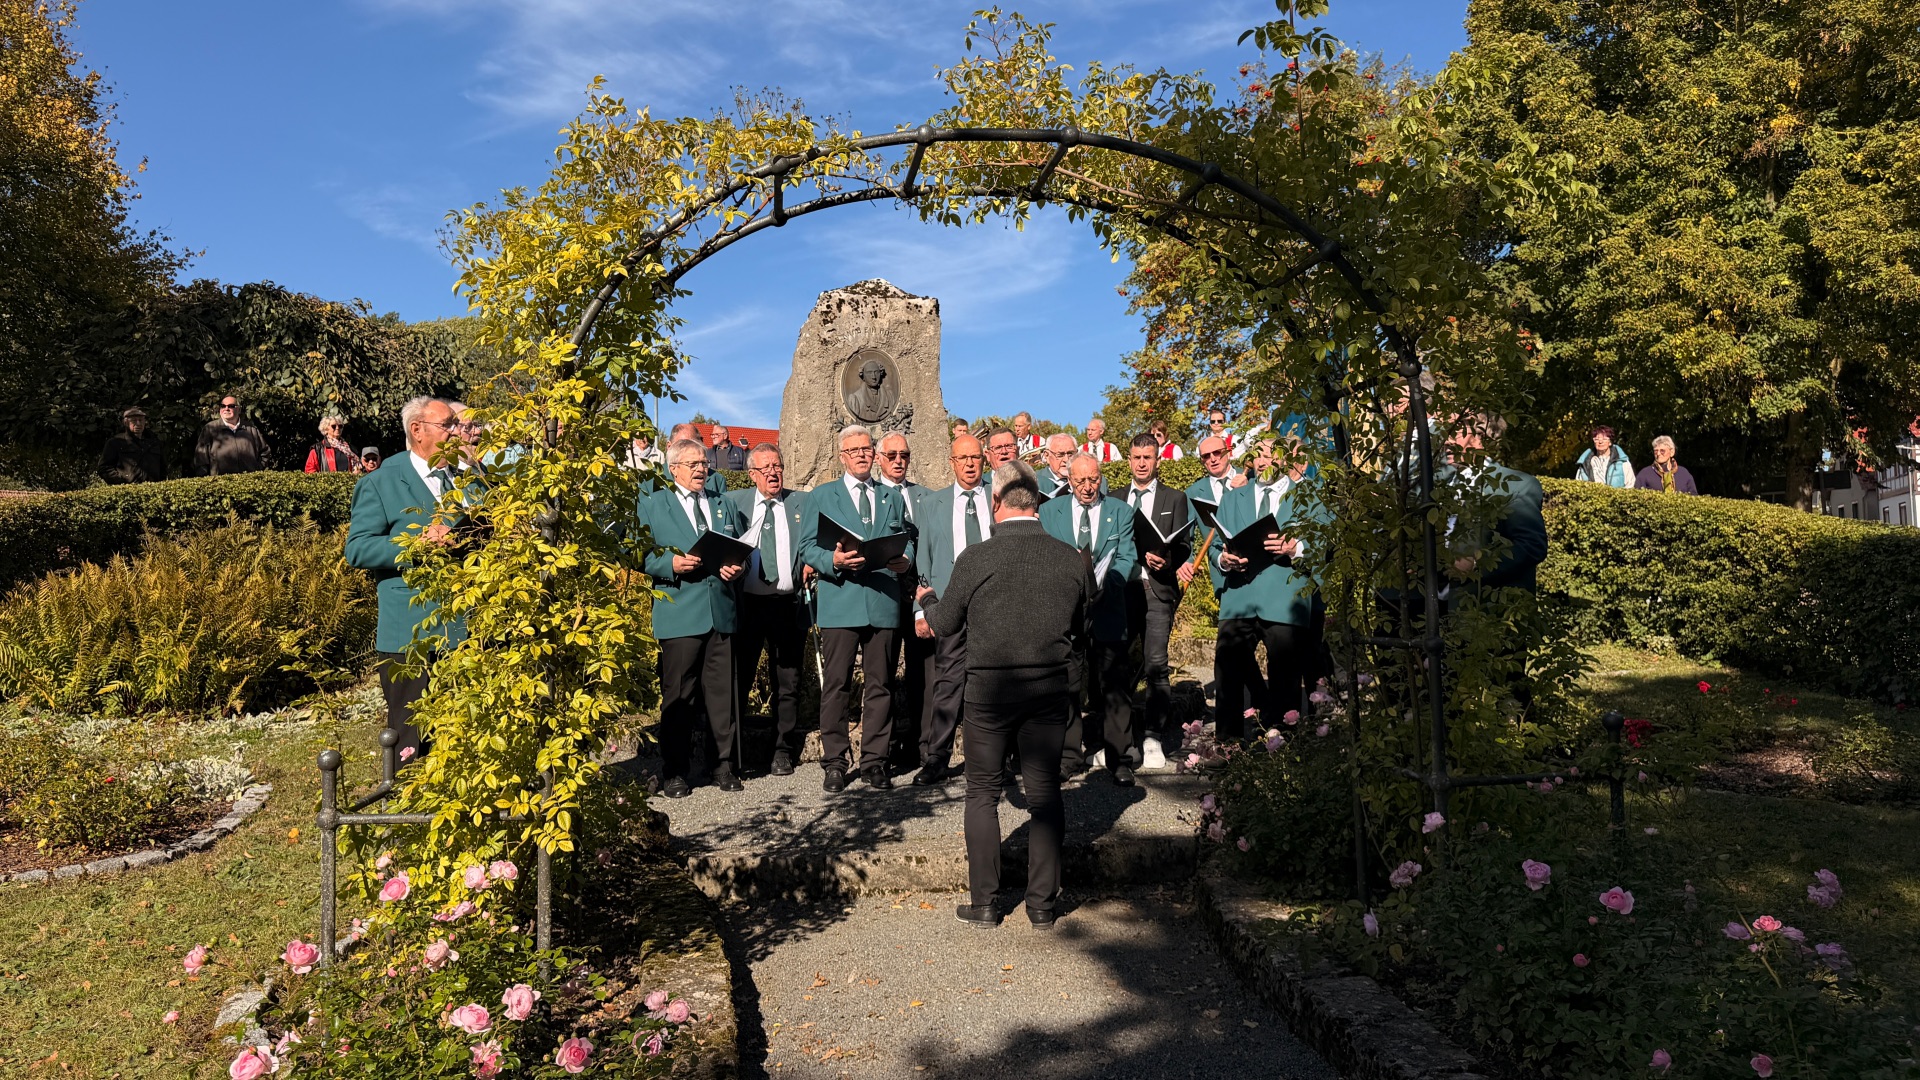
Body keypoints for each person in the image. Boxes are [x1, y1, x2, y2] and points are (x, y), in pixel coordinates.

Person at [922, 459, 1090, 931]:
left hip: (989, 693)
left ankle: (986, 904)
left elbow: (944, 624)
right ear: (1037, 501)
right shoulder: (1068, 558)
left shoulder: (976, 558)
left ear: (996, 502)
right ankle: (1041, 905)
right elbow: (1080, 629)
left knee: (982, 793)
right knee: (1044, 793)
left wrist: (926, 600)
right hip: (1049, 691)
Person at [797, 425, 915, 792]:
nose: (863, 455)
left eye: (868, 449)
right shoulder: (821, 496)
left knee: (880, 685)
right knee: (837, 685)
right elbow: (806, 549)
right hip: (841, 600)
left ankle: (875, 761)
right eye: (856, 450)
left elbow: (905, 539)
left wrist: (905, 560)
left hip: (882, 601)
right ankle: (835, 762)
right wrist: (831, 559)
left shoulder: (891, 497)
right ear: (842, 456)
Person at [343, 396, 463, 758]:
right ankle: (407, 813)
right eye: (448, 425)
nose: (458, 432)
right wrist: (417, 545)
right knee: (412, 744)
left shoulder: (467, 479)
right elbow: (358, 549)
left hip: (466, 630)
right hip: (412, 634)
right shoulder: (381, 482)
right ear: (418, 430)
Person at [640, 439, 748, 797]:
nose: (702, 469)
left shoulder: (723, 503)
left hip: (720, 611)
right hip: (679, 611)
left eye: (704, 463)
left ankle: (723, 766)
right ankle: (675, 771)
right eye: (694, 464)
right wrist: (668, 564)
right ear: (674, 469)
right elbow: (636, 552)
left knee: (722, 696)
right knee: (679, 696)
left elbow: (738, 549)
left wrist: (738, 566)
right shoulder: (654, 504)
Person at [1208, 438, 1320, 740]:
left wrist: (1296, 548)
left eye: (1270, 454)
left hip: (1285, 596)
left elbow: (1325, 541)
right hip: (1239, 596)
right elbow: (1215, 545)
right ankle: (1228, 746)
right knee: (1228, 671)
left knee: (1285, 675)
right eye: (1257, 455)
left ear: (1284, 457)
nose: (1262, 461)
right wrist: (1223, 559)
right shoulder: (1233, 497)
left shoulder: (1307, 495)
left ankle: (1283, 744)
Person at [1038, 453, 1137, 782]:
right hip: (1066, 613)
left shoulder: (1120, 511)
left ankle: (1120, 758)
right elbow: (1046, 557)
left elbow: (1127, 557)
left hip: (1109, 607)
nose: (1087, 487)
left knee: (1114, 686)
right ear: (1068, 480)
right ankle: (1068, 757)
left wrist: (1108, 586)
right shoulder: (1049, 511)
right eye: (1080, 480)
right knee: (1067, 685)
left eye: (1093, 479)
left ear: (1100, 477)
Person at [908, 433, 992, 785]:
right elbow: (922, 558)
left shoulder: (998, 497)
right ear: (952, 462)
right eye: (963, 458)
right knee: (946, 684)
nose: (970, 464)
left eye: (975, 458)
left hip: (993, 604)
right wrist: (922, 610)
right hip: (949, 605)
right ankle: (937, 758)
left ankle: (989, 760)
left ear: (983, 460)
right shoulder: (932, 503)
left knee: (991, 684)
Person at [729, 444, 811, 776]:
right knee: (739, 676)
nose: (774, 473)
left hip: (786, 604)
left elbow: (813, 543)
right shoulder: (735, 505)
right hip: (747, 604)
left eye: (778, 466)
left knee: (787, 680)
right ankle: (730, 753)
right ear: (751, 474)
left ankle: (782, 750)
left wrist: (810, 565)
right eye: (765, 468)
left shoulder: (801, 503)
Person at [1121, 433, 1191, 770]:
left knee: (1156, 666)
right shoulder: (1117, 498)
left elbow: (1185, 545)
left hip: (1159, 589)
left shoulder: (1174, 498)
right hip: (1124, 591)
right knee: (1115, 665)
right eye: (1136, 457)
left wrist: (1171, 559)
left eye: (1148, 457)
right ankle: (1117, 739)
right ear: (1129, 459)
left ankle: (1153, 737)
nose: (1142, 463)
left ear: (1157, 459)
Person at [875, 431, 929, 768]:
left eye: (904, 455)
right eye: (892, 455)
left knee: (922, 676)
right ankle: (884, 748)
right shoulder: (871, 496)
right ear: (879, 457)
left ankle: (920, 745)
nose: (899, 461)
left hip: (921, 597)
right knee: (882, 675)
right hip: (883, 597)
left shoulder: (927, 498)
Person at [193, 395, 269, 475]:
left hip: (248, 482)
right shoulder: (210, 429)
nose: (226, 409)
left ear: (238, 409)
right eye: (223, 406)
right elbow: (201, 459)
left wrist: (257, 470)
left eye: (231, 406)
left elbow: (265, 452)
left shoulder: (251, 429)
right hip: (220, 483)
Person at [98, 407, 166, 485]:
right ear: (126, 423)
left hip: (153, 491)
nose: (138, 424)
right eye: (134, 420)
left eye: (141, 420)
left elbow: (163, 468)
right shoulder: (115, 442)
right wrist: (122, 484)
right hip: (127, 493)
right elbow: (104, 468)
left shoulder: (154, 442)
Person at [1185, 435, 1247, 510]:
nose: (1213, 459)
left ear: (1227, 452)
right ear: (1202, 460)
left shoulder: (1251, 479)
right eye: (1206, 456)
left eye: (1217, 452)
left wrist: (1247, 489)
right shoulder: (1192, 493)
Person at [1634, 436, 1698, 494]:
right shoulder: (1645, 473)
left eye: (1662, 451)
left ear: (1672, 452)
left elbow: (1694, 496)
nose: (1658, 454)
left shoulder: (1683, 473)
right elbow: (1637, 496)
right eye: (1656, 451)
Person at [1036, 432, 1077, 500]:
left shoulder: (1086, 479)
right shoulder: (1034, 481)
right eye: (1060, 455)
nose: (1066, 460)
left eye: (1071, 454)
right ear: (1047, 456)